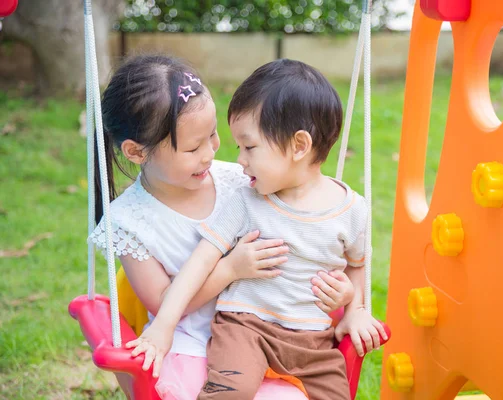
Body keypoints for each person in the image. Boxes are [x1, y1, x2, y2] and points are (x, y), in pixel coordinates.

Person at [90, 54, 355, 400]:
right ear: (137, 152)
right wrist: (231, 268)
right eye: (192, 147)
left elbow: (306, 229)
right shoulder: (127, 222)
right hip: (189, 343)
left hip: (267, 333)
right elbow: (163, 304)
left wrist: (350, 298)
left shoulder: (239, 178)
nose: (210, 153)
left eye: (213, 135)